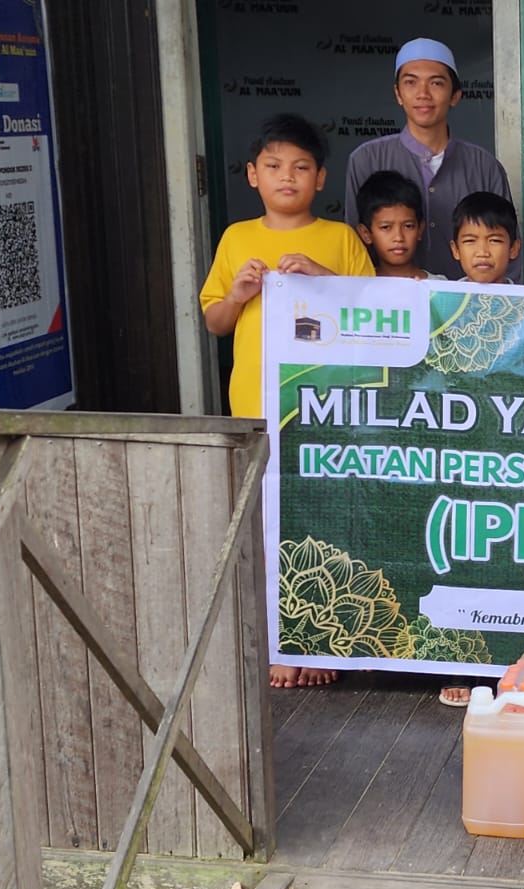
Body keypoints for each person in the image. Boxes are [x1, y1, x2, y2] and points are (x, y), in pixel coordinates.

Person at [199, 113, 374, 688]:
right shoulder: (236, 239)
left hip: (324, 404)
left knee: (325, 519)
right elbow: (215, 322)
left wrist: (323, 278)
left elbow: (375, 313)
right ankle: (280, 640)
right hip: (255, 405)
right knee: (266, 525)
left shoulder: (340, 239)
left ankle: (320, 642)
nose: (287, 177)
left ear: (321, 178)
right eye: (274, 166)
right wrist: (238, 293)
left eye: (301, 167)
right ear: (253, 174)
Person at [344, 38, 516, 281]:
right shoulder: (366, 159)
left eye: (436, 83)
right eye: (411, 82)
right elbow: (353, 245)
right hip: (388, 301)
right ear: (398, 94)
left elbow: (507, 249)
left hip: (466, 302)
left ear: (455, 95)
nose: (423, 94)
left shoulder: (485, 166)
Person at [354, 170, 436, 279]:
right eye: (386, 227)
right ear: (366, 234)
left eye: (408, 226)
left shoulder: (439, 285)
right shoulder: (358, 285)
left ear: (420, 229)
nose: (399, 237)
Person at [450, 191, 522, 285]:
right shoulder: (440, 294)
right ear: (456, 250)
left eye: (494, 240)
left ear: (513, 249)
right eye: (470, 240)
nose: (482, 253)